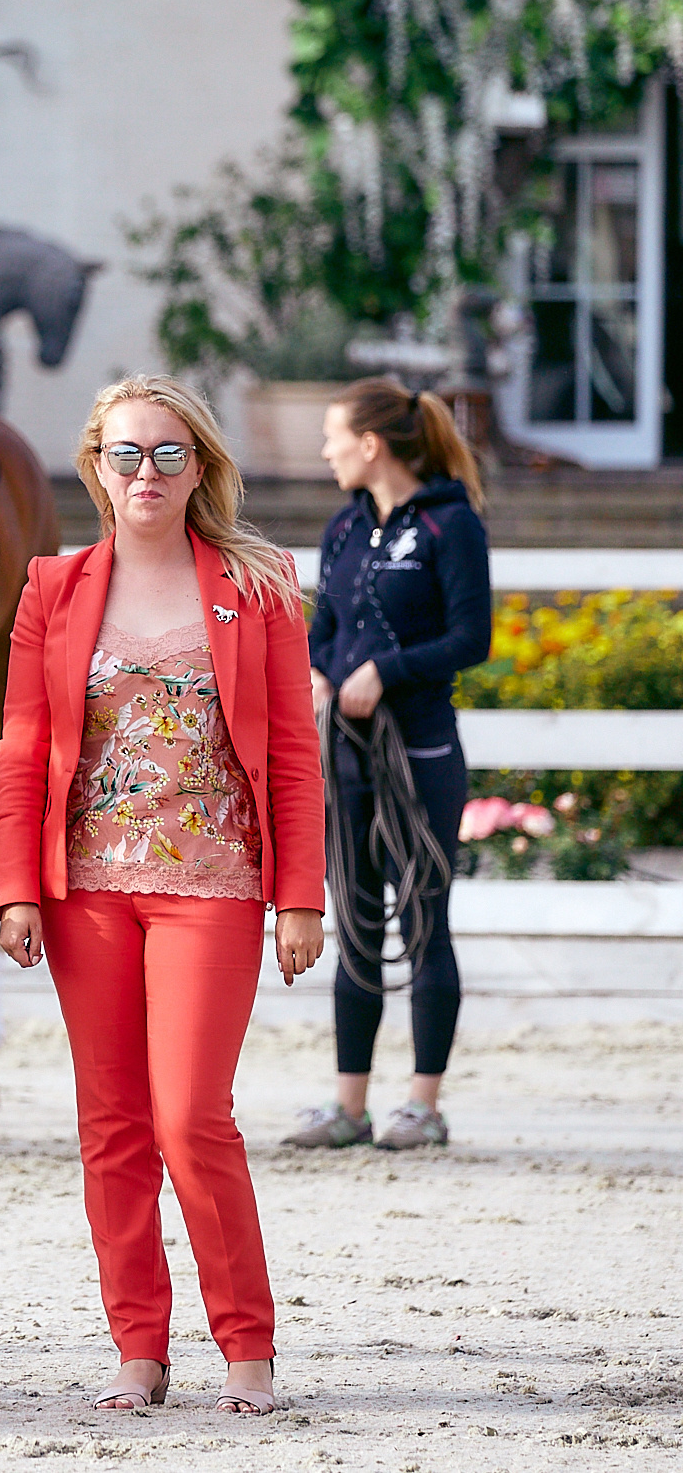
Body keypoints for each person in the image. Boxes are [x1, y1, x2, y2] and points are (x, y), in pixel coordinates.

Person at [0, 374, 326, 1418]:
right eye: (126, 453)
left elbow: (292, 756)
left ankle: (246, 1349)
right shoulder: (51, 585)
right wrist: (15, 891)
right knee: (112, 1125)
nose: (146, 472)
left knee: (191, 1118)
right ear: (94, 466)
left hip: (213, 886)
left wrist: (300, 897)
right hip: (85, 892)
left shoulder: (255, 584)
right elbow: (19, 749)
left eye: (168, 454)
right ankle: (138, 1349)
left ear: (199, 468)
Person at [287, 381, 490, 1153]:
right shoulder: (343, 529)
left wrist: (388, 671)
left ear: (372, 444)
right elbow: (325, 627)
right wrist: (316, 673)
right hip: (345, 752)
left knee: (425, 916)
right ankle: (350, 1105)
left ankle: (423, 1103)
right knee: (356, 920)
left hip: (422, 750)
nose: (327, 449)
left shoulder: (451, 523)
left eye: (335, 436)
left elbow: (473, 638)